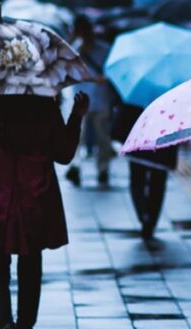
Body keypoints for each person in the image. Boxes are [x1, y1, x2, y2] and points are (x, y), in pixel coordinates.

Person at [0, 92, 89, 329]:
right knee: (31, 265)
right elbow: (64, 153)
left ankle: (4, 325)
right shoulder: (44, 105)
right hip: (36, 198)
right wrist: (76, 116)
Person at [112, 103, 178, 239]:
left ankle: (143, 215)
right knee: (158, 185)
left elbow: (123, 115)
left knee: (137, 182)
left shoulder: (137, 94)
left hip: (138, 145)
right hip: (162, 147)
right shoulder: (171, 96)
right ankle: (151, 220)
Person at [65, 15, 115, 188]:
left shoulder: (104, 49)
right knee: (77, 136)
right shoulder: (73, 50)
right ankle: (75, 167)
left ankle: (103, 169)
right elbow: (68, 72)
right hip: (80, 99)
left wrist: (104, 78)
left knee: (103, 137)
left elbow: (112, 72)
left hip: (101, 100)